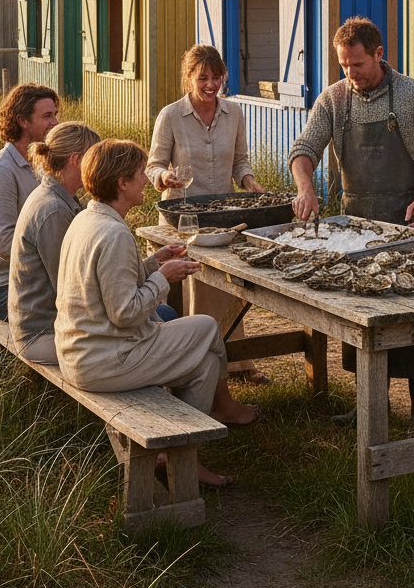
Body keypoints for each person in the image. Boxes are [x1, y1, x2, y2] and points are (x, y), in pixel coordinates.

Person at [55, 139, 261, 489]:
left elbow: (110, 284)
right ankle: (220, 412)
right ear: (122, 184)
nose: (144, 181)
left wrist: (154, 261)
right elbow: (124, 313)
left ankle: (184, 459)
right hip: (105, 359)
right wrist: (163, 279)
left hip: (81, 352)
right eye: (139, 175)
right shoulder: (114, 233)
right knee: (209, 328)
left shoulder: (87, 218)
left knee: (206, 364)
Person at [288, 17, 414, 432]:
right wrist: (306, 187)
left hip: (408, 228)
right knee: (361, 319)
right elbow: (303, 149)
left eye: (357, 64)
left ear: (379, 54)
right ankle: (370, 409)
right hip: (355, 234)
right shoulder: (334, 100)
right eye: (343, 65)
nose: (351, 74)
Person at [146, 44, 269, 384]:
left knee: (230, 288)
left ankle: (238, 365)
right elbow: (153, 164)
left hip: (224, 218)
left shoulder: (234, 113)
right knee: (196, 287)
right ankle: (198, 369)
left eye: (217, 77)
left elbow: (240, 161)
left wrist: (249, 182)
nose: (211, 84)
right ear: (189, 78)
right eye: (203, 78)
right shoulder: (171, 116)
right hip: (183, 219)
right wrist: (162, 177)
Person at [10, 122, 178, 365]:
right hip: (44, 335)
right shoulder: (54, 211)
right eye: (93, 156)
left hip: (54, 325)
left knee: (163, 317)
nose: (99, 164)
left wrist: (153, 265)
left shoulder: (60, 197)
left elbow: (96, 277)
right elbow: (74, 289)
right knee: (162, 321)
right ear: (76, 160)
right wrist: (157, 281)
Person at [0, 83, 60, 320]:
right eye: (47, 116)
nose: (55, 122)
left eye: (55, 115)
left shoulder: (44, 164)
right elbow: (3, 245)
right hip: (4, 290)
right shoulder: (0, 171)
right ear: (22, 121)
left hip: (39, 282)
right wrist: (53, 243)